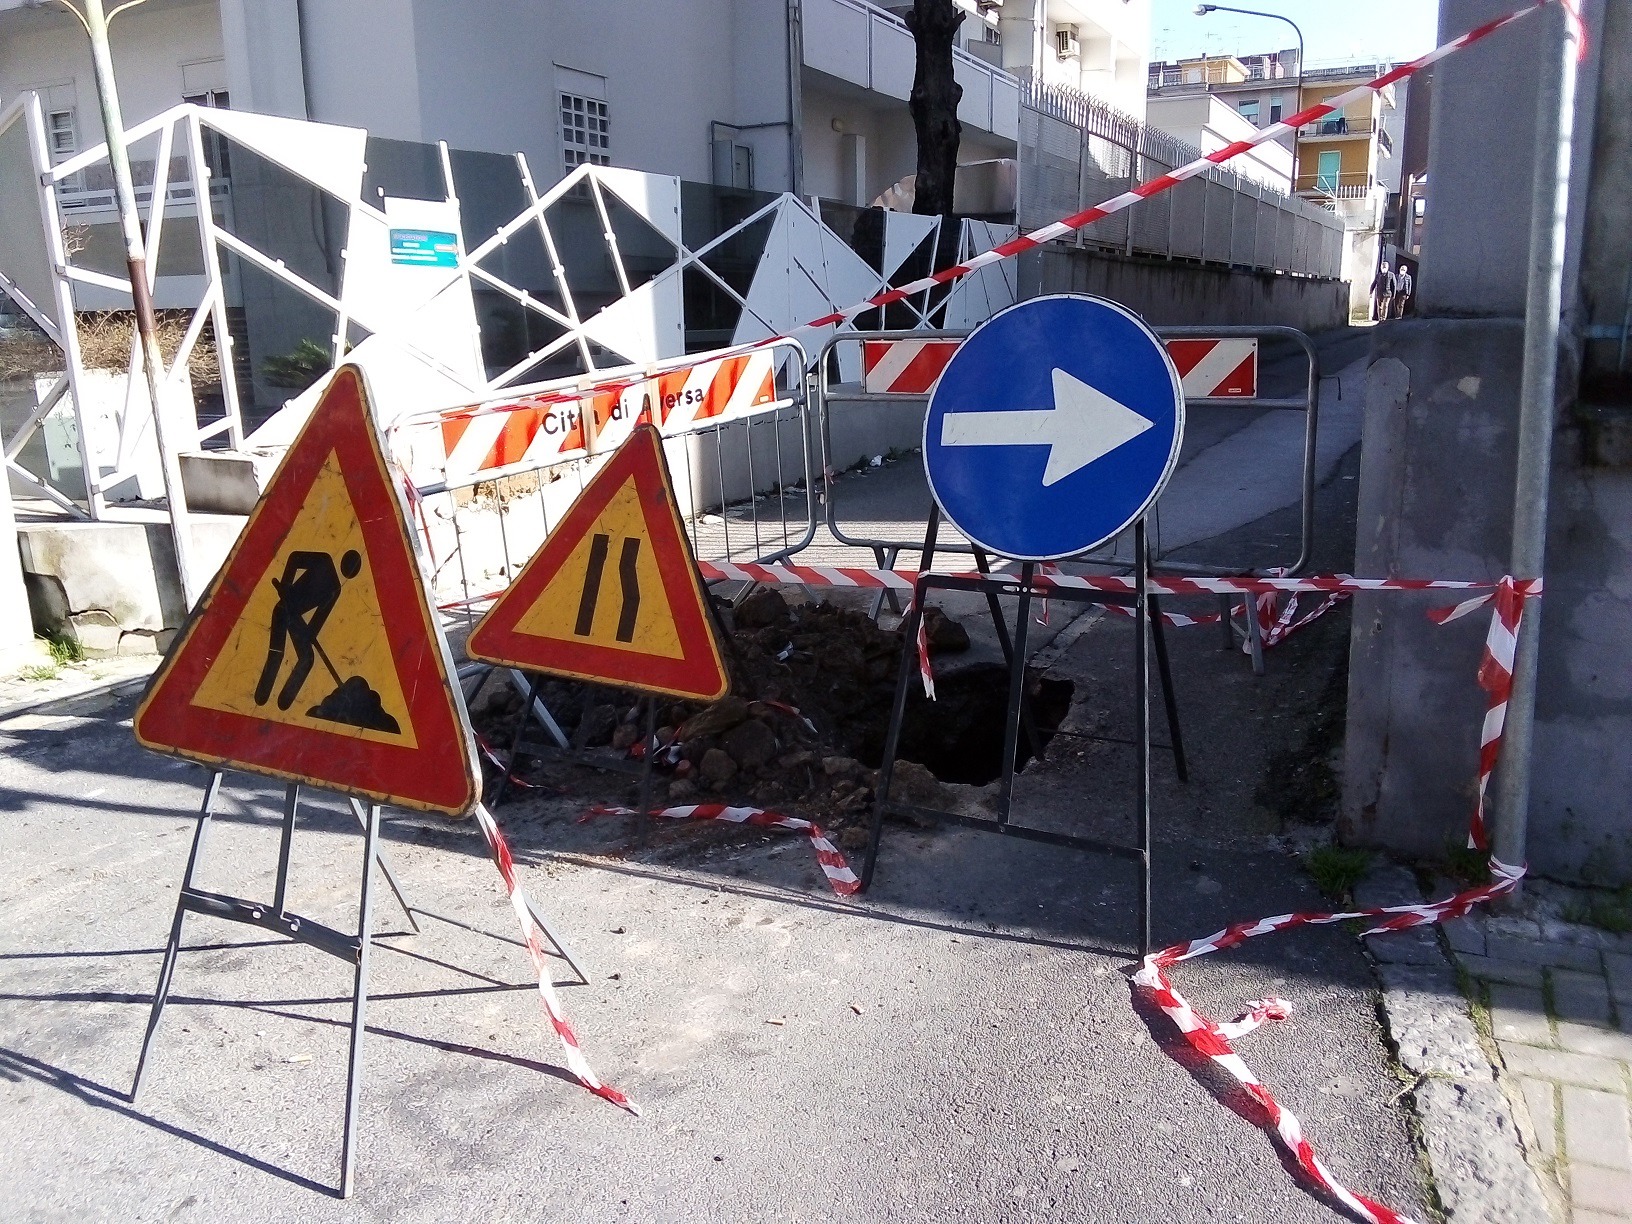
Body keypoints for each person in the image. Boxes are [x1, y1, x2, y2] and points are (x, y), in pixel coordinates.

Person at [254, 549, 361, 711]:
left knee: (307, 657)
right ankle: (261, 696)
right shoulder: (324, 561)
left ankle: (284, 701)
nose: (349, 570)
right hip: (283, 609)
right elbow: (294, 558)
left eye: (353, 568)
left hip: (296, 618)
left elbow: (317, 621)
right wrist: (286, 585)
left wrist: (309, 633)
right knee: (277, 652)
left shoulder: (335, 590)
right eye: (350, 565)